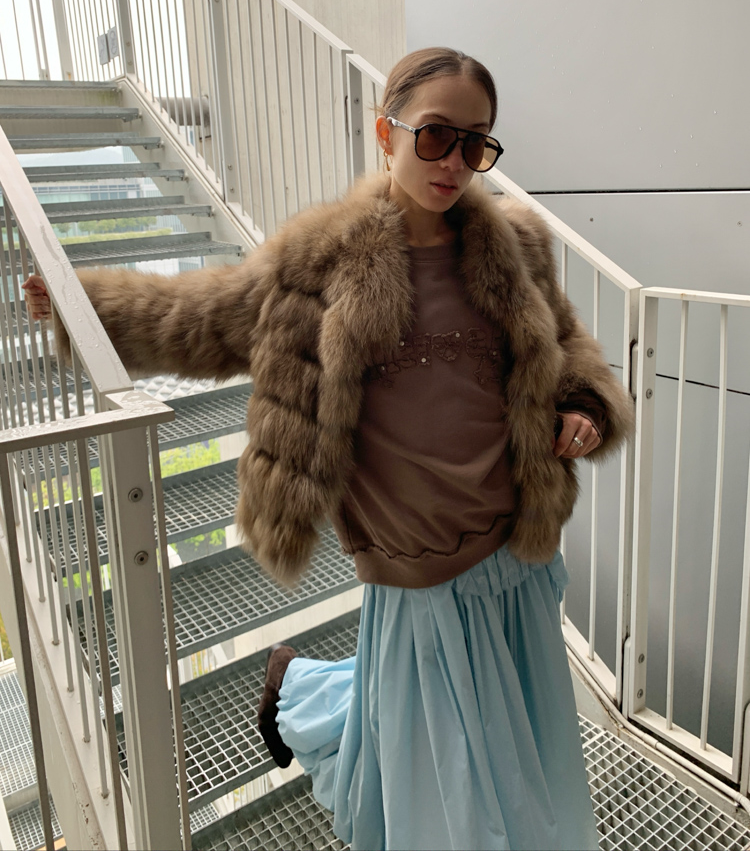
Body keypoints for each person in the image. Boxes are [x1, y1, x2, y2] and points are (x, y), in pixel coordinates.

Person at [25, 47, 632, 851]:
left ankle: (296, 686)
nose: (454, 162)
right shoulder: (321, 262)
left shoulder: (514, 245)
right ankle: (304, 695)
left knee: (524, 752)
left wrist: (585, 403)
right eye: (435, 136)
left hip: (516, 547)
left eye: (475, 143)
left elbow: (566, 340)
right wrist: (84, 305)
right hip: (415, 564)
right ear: (386, 132)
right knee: (448, 792)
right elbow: (199, 318)